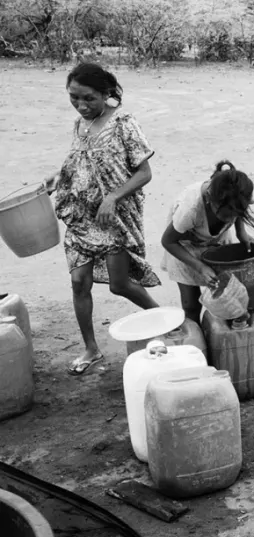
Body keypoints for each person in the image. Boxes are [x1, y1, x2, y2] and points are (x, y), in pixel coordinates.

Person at [44, 63, 161, 376]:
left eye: (89, 99)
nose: (81, 105)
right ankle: (91, 349)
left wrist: (112, 198)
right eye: (74, 97)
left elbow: (144, 173)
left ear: (107, 94)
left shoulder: (123, 122)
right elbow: (79, 163)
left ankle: (165, 320)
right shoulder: (78, 125)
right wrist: (58, 178)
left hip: (113, 219)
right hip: (80, 217)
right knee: (78, 282)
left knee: (120, 285)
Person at [161, 161, 254, 324]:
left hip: (216, 241)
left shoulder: (238, 198)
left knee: (229, 299)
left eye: (234, 214)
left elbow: (238, 209)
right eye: (225, 215)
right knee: (191, 305)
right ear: (210, 200)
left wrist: (241, 232)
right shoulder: (190, 210)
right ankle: (197, 344)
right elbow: (168, 241)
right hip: (183, 247)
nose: (230, 218)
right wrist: (200, 266)